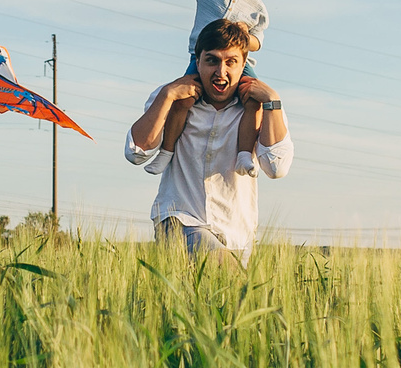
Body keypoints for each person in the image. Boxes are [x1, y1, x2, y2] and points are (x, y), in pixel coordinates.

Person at [124, 17, 292, 262]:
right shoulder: (171, 98)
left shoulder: (263, 107)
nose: (220, 72)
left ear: (244, 64)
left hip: (236, 235)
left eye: (231, 62)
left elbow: (276, 168)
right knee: (226, 274)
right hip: (180, 220)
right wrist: (167, 95)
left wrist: (273, 102)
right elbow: (137, 152)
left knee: (227, 299)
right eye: (212, 60)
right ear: (197, 61)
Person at [128, 0, 273, 166]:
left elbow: (258, 42)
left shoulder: (257, 7)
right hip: (201, 60)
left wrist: (245, 36)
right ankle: (166, 152)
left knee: (253, 101)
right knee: (183, 99)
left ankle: (245, 154)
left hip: (240, 66)